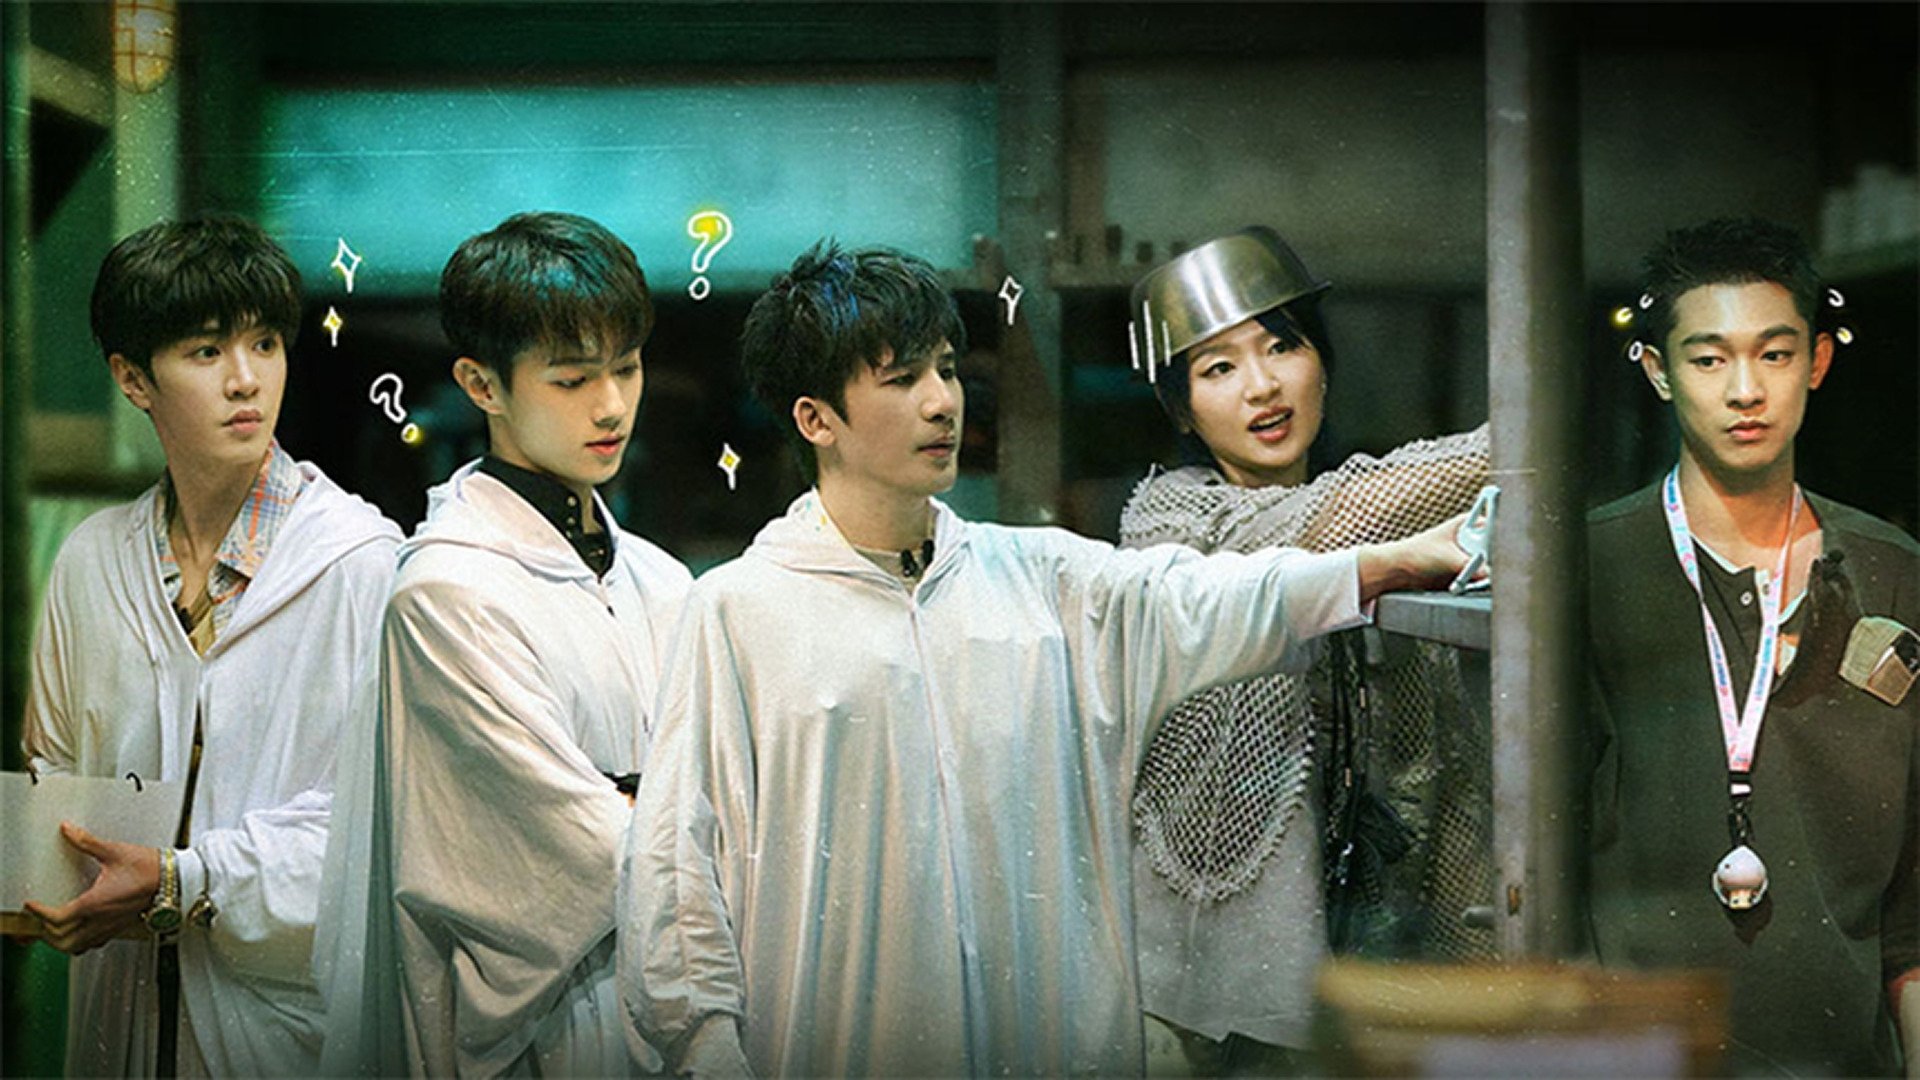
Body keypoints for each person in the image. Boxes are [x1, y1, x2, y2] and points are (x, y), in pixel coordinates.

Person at [619, 241, 1474, 1077]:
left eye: (946, 369)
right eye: (903, 379)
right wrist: (707, 1049)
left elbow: (1205, 595)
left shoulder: (1039, 578)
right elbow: (675, 864)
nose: (942, 402)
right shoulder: (739, 609)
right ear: (816, 420)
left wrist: (1393, 563)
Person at [21, 217, 401, 1076]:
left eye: (265, 345)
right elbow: (55, 772)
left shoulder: (361, 564)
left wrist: (183, 880)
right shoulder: (92, 561)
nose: (245, 380)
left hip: (283, 1035)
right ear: (132, 378)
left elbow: (382, 836)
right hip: (118, 1019)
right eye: (205, 351)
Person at [316, 211, 692, 1077]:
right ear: (481, 385)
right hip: (553, 1030)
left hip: (674, 1003)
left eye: (628, 367)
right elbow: (580, 846)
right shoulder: (446, 593)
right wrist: (684, 816)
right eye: (572, 379)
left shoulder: (665, 581)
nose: (612, 405)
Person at [1119, 227, 1493, 1072]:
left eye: (1283, 347)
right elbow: (1323, 526)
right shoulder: (1172, 520)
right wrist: (1527, 434)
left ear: (1321, 362)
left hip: (1359, 979)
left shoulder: (1385, 520)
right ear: (1181, 409)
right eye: (1218, 368)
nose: (1262, 386)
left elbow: (1445, 782)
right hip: (1193, 1001)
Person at [1586, 217, 1919, 1074]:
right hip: (1635, 1057)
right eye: (1708, 359)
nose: (1746, 391)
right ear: (1658, 372)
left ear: (1817, 360)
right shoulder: (1589, 568)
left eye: (1774, 354)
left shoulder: (1890, 569)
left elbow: (1914, 912)